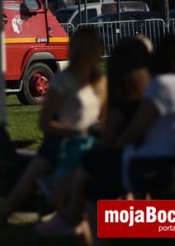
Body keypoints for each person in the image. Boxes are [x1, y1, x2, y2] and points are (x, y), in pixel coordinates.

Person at [0, 28, 104, 246]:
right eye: (97, 45)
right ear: (85, 49)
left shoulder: (99, 81)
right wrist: (74, 131)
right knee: (17, 197)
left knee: (85, 211)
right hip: (58, 145)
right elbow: (44, 123)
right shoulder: (64, 80)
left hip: (88, 148)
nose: (101, 50)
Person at [35, 37, 152, 239]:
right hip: (149, 161)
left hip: (130, 164)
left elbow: (110, 140)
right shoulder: (153, 93)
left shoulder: (122, 103)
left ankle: (69, 217)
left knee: (84, 180)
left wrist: (95, 133)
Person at [117, 36, 175, 194]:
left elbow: (135, 129)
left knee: (94, 167)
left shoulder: (163, 85)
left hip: (156, 168)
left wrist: (114, 145)